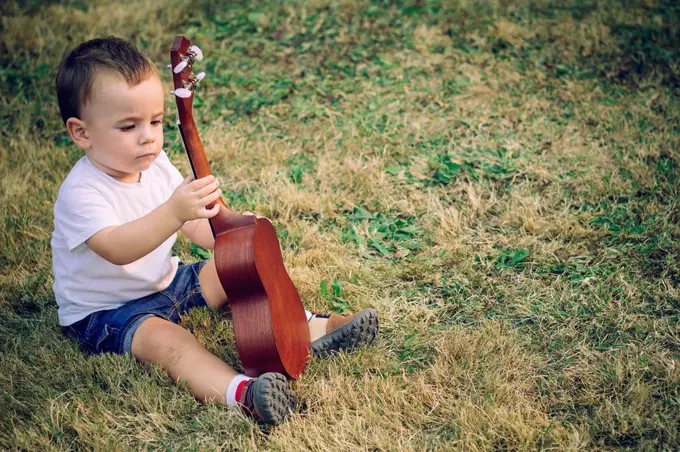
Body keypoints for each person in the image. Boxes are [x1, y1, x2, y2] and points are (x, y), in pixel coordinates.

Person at [51, 36, 379, 426]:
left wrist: (234, 233)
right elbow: (119, 248)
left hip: (169, 283)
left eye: (155, 121)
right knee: (168, 343)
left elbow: (196, 225)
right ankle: (242, 393)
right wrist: (174, 211)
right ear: (81, 132)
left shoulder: (154, 166)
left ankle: (311, 327)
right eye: (128, 126)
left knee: (238, 270)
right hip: (108, 312)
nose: (148, 137)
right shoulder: (81, 192)